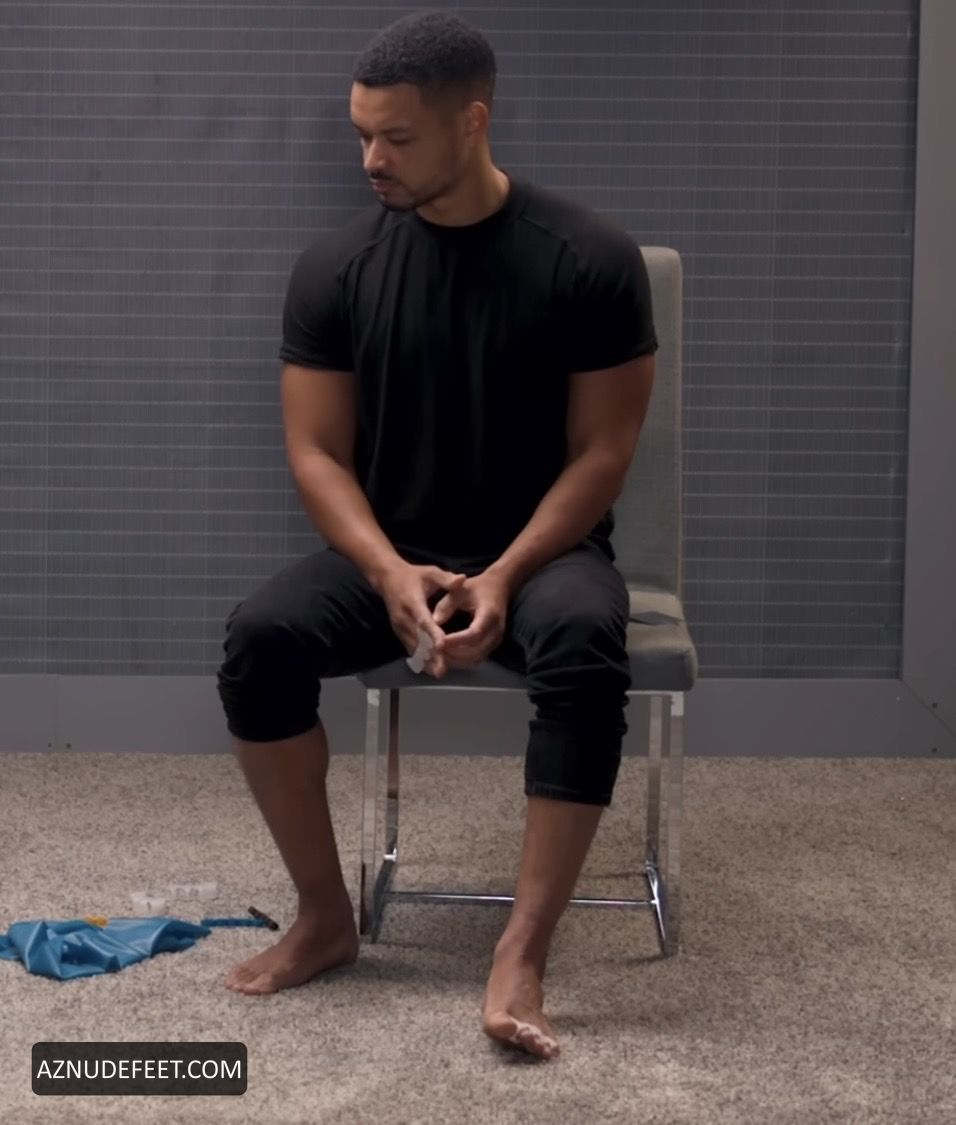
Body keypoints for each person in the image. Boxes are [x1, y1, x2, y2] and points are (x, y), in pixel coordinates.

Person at [215, 9, 657, 1062]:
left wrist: (504, 572)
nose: (371, 158)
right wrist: (382, 570)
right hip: (392, 551)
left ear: (472, 121)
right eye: (361, 134)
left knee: (586, 643)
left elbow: (601, 453)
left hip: (543, 555)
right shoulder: (335, 267)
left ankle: (522, 952)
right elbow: (316, 453)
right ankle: (325, 916)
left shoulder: (591, 259)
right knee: (258, 640)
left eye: (397, 138)